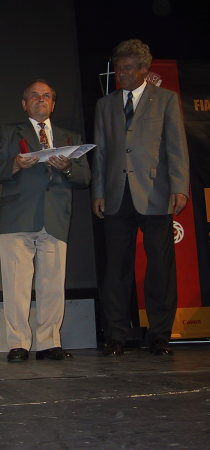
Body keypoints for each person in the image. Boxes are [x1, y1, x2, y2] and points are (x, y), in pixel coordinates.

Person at [92, 39, 189, 357]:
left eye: (129, 68)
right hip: (116, 195)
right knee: (116, 269)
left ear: (145, 69)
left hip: (155, 192)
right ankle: (116, 335)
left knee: (160, 266)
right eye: (119, 68)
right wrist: (98, 192)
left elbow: (176, 146)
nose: (122, 73)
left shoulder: (166, 99)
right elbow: (101, 153)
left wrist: (179, 186)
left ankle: (160, 335)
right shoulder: (105, 104)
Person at [0, 80, 91, 362]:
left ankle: (48, 343)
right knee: (16, 285)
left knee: (52, 285)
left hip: (56, 216)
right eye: (34, 95)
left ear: (53, 104)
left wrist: (68, 168)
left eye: (46, 96)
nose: (40, 99)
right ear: (25, 103)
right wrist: (15, 164)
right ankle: (18, 343)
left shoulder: (70, 136)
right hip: (17, 216)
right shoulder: (9, 132)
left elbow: (85, 178)